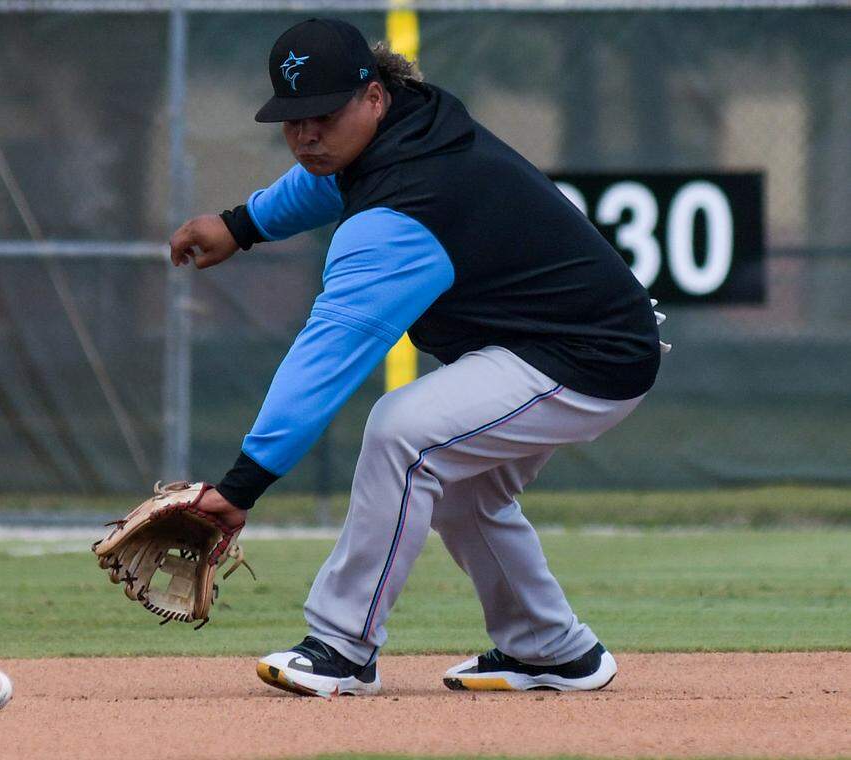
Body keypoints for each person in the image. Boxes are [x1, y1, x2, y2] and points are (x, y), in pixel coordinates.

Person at [169, 17, 664, 698]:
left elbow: (330, 353)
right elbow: (326, 179)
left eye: (323, 113)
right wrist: (240, 225)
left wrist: (242, 484)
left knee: (403, 433)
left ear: (372, 97)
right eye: (292, 119)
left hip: (586, 354)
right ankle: (553, 650)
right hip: (545, 340)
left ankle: (343, 646)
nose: (307, 134)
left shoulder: (404, 210)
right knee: (462, 487)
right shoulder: (407, 124)